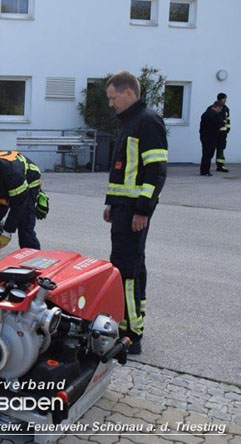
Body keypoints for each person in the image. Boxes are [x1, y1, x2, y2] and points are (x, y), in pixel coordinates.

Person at [103, 71, 168, 355]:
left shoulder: (147, 122)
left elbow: (156, 171)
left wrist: (142, 210)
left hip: (133, 212)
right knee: (132, 267)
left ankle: (130, 333)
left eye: (112, 97)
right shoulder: (132, 122)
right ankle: (133, 324)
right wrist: (110, 201)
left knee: (126, 271)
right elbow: (123, 169)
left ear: (128, 93)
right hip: (123, 209)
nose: (110, 104)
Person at [200, 101, 224, 176]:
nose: (220, 111)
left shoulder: (206, 113)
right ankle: (206, 171)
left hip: (204, 136)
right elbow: (218, 125)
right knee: (209, 154)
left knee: (205, 154)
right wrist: (223, 122)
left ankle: (204, 170)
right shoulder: (214, 115)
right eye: (220, 109)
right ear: (218, 107)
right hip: (211, 137)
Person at [215, 93, 231, 172]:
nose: (226, 100)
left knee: (221, 149)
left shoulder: (226, 108)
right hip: (215, 133)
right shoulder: (215, 107)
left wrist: (227, 129)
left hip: (223, 133)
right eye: (225, 98)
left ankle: (220, 166)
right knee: (210, 149)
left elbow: (228, 120)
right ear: (221, 99)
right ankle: (206, 167)